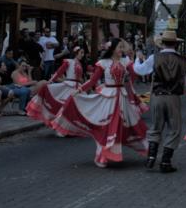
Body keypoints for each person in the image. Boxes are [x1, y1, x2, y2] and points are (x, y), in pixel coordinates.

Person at [54, 39, 147, 167]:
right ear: (113, 49)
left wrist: (136, 58)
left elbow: (135, 74)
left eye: (122, 48)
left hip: (122, 99)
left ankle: (146, 148)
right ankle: (102, 155)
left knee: (129, 126)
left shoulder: (125, 61)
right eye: (120, 47)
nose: (122, 50)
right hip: (108, 98)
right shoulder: (103, 63)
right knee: (106, 127)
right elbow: (92, 81)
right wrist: (79, 91)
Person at [134, 30, 186, 173]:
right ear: (175, 44)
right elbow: (183, 80)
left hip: (157, 95)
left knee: (156, 126)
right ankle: (165, 161)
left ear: (162, 43)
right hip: (173, 97)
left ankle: (151, 157)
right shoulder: (182, 60)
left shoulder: (154, 58)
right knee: (174, 128)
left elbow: (140, 70)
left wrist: (137, 59)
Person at [27, 47, 86, 128]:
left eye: (83, 53)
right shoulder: (68, 61)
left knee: (77, 107)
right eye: (81, 53)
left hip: (77, 87)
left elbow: (79, 77)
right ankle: (62, 126)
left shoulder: (79, 63)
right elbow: (59, 72)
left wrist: (83, 85)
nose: (82, 55)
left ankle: (71, 127)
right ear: (76, 53)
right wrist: (50, 81)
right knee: (66, 107)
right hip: (68, 86)